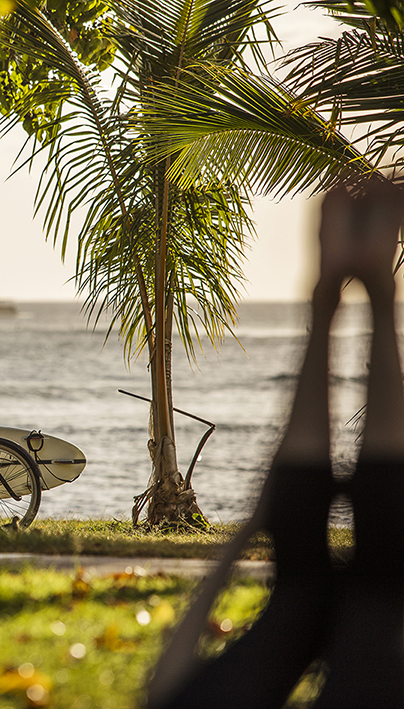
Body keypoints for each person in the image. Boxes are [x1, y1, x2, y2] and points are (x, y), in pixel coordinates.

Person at [147, 180, 404, 709]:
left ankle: (356, 294)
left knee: (336, 583)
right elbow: (162, 686)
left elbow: (166, 687)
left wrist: (244, 535)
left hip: (320, 609)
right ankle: (360, 294)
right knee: (369, 586)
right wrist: (245, 535)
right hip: (361, 620)